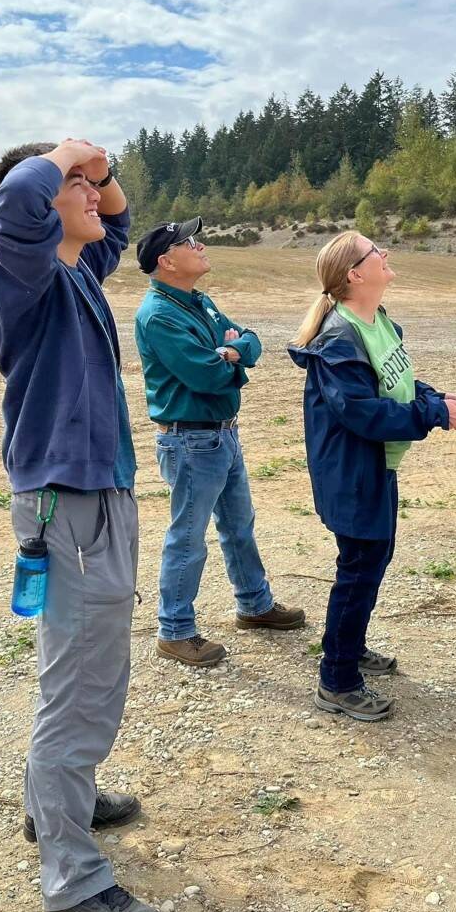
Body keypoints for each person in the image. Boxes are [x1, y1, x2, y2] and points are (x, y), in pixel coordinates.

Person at [0, 140, 165, 912]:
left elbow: (117, 224)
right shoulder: (24, 277)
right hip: (65, 507)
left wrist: (96, 178)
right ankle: (73, 875)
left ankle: (55, 799)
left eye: (88, 183)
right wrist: (61, 155)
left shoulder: (74, 270)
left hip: (97, 497)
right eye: (69, 184)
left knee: (90, 667)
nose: (88, 192)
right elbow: (11, 208)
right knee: (78, 683)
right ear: (40, 204)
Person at [288, 230, 456, 723]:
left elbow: (400, 381)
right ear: (355, 274)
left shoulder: (377, 321)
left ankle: (349, 645)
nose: (385, 254)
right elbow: (364, 414)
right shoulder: (338, 339)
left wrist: (439, 400)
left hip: (376, 467)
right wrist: (431, 415)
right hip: (351, 472)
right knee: (360, 567)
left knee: (372, 559)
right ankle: (338, 679)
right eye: (376, 252)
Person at [134, 218, 305, 667]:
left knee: (239, 525)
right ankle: (174, 631)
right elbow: (205, 375)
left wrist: (234, 352)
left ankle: (255, 605)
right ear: (166, 261)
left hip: (221, 435)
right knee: (188, 538)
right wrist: (229, 358)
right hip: (190, 441)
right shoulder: (159, 314)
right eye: (189, 242)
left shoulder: (199, 302)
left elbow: (249, 341)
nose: (201, 244)